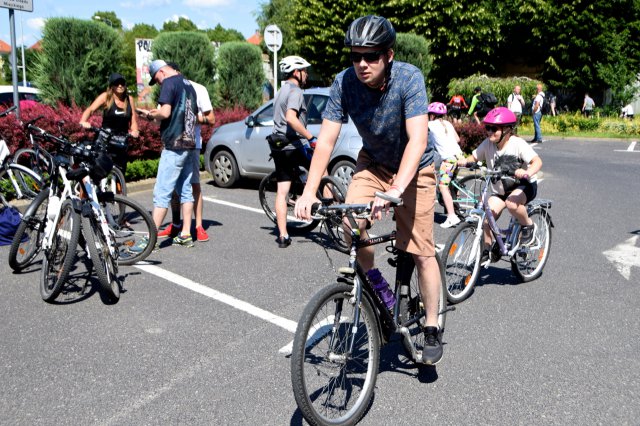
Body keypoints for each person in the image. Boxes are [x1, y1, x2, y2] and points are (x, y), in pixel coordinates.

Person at [294, 15, 444, 365]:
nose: (362, 64)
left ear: (388, 55)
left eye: (371, 56)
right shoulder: (344, 83)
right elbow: (326, 139)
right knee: (351, 226)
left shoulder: (409, 78)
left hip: (416, 168)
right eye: (356, 55)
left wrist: (394, 191)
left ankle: (434, 325)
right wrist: (309, 191)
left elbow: (418, 139)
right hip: (373, 163)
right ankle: (376, 287)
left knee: (421, 250)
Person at [458, 107, 542, 260]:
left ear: (507, 129)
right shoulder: (488, 144)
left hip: (523, 186)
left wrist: (527, 173)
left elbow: (537, 161)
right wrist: (463, 162)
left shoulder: (517, 144)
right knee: (486, 218)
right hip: (501, 191)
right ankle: (487, 251)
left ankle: (528, 226)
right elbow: (474, 157)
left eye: (494, 128)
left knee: (512, 203)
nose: (489, 131)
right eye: (487, 128)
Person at [135, 59, 198, 249]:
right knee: (185, 189)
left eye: (156, 79)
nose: (158, 83)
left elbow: (165, 112)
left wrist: (150, 114)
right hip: (189, 143)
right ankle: (186, 234)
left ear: (161, 72)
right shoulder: (189, 85)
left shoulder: (169, 83)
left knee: (162, 192)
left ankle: (150, 240)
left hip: (174, 145)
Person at [157, 62, 215, 243]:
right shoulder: (173, 86)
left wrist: (189, 115)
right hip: (176, 141)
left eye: (158, 79)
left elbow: (211, 118)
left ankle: (197, 226)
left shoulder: (197, 88)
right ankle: (178, 225)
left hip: (191, 143)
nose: (160, 84)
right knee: (177, 187)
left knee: (192, 184)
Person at [269, 55, 316, 248]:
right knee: (320, 169)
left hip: (278, 145)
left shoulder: (281, 91)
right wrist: (310, 137)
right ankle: (329, 204)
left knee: (282, 192)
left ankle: (283, 236)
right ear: (296, 72)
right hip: (292, 144)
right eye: (304, 71)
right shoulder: (296, 91)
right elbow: (291, 118)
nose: (306, 75)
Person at [79, 72, 139, 173]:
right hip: (105, 138)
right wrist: (83, 121)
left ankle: (119, 188)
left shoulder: (129, 99)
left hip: (121, 140)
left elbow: (133, 119)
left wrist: (135, 130)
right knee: (96, 170)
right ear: (112, 86)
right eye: (117, 83)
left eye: (122, 83)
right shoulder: (106, 97)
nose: (120, 86)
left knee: (120, 172)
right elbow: (90, 109)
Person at [428, 102, 464, 228]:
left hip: (448, 160)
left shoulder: (430, 124)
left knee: (443, 186)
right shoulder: (447, 123)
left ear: (431, 115)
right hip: (459, 156)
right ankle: (457, 210)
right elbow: (458, 139)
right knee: (451, 183)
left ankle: (451, 216)